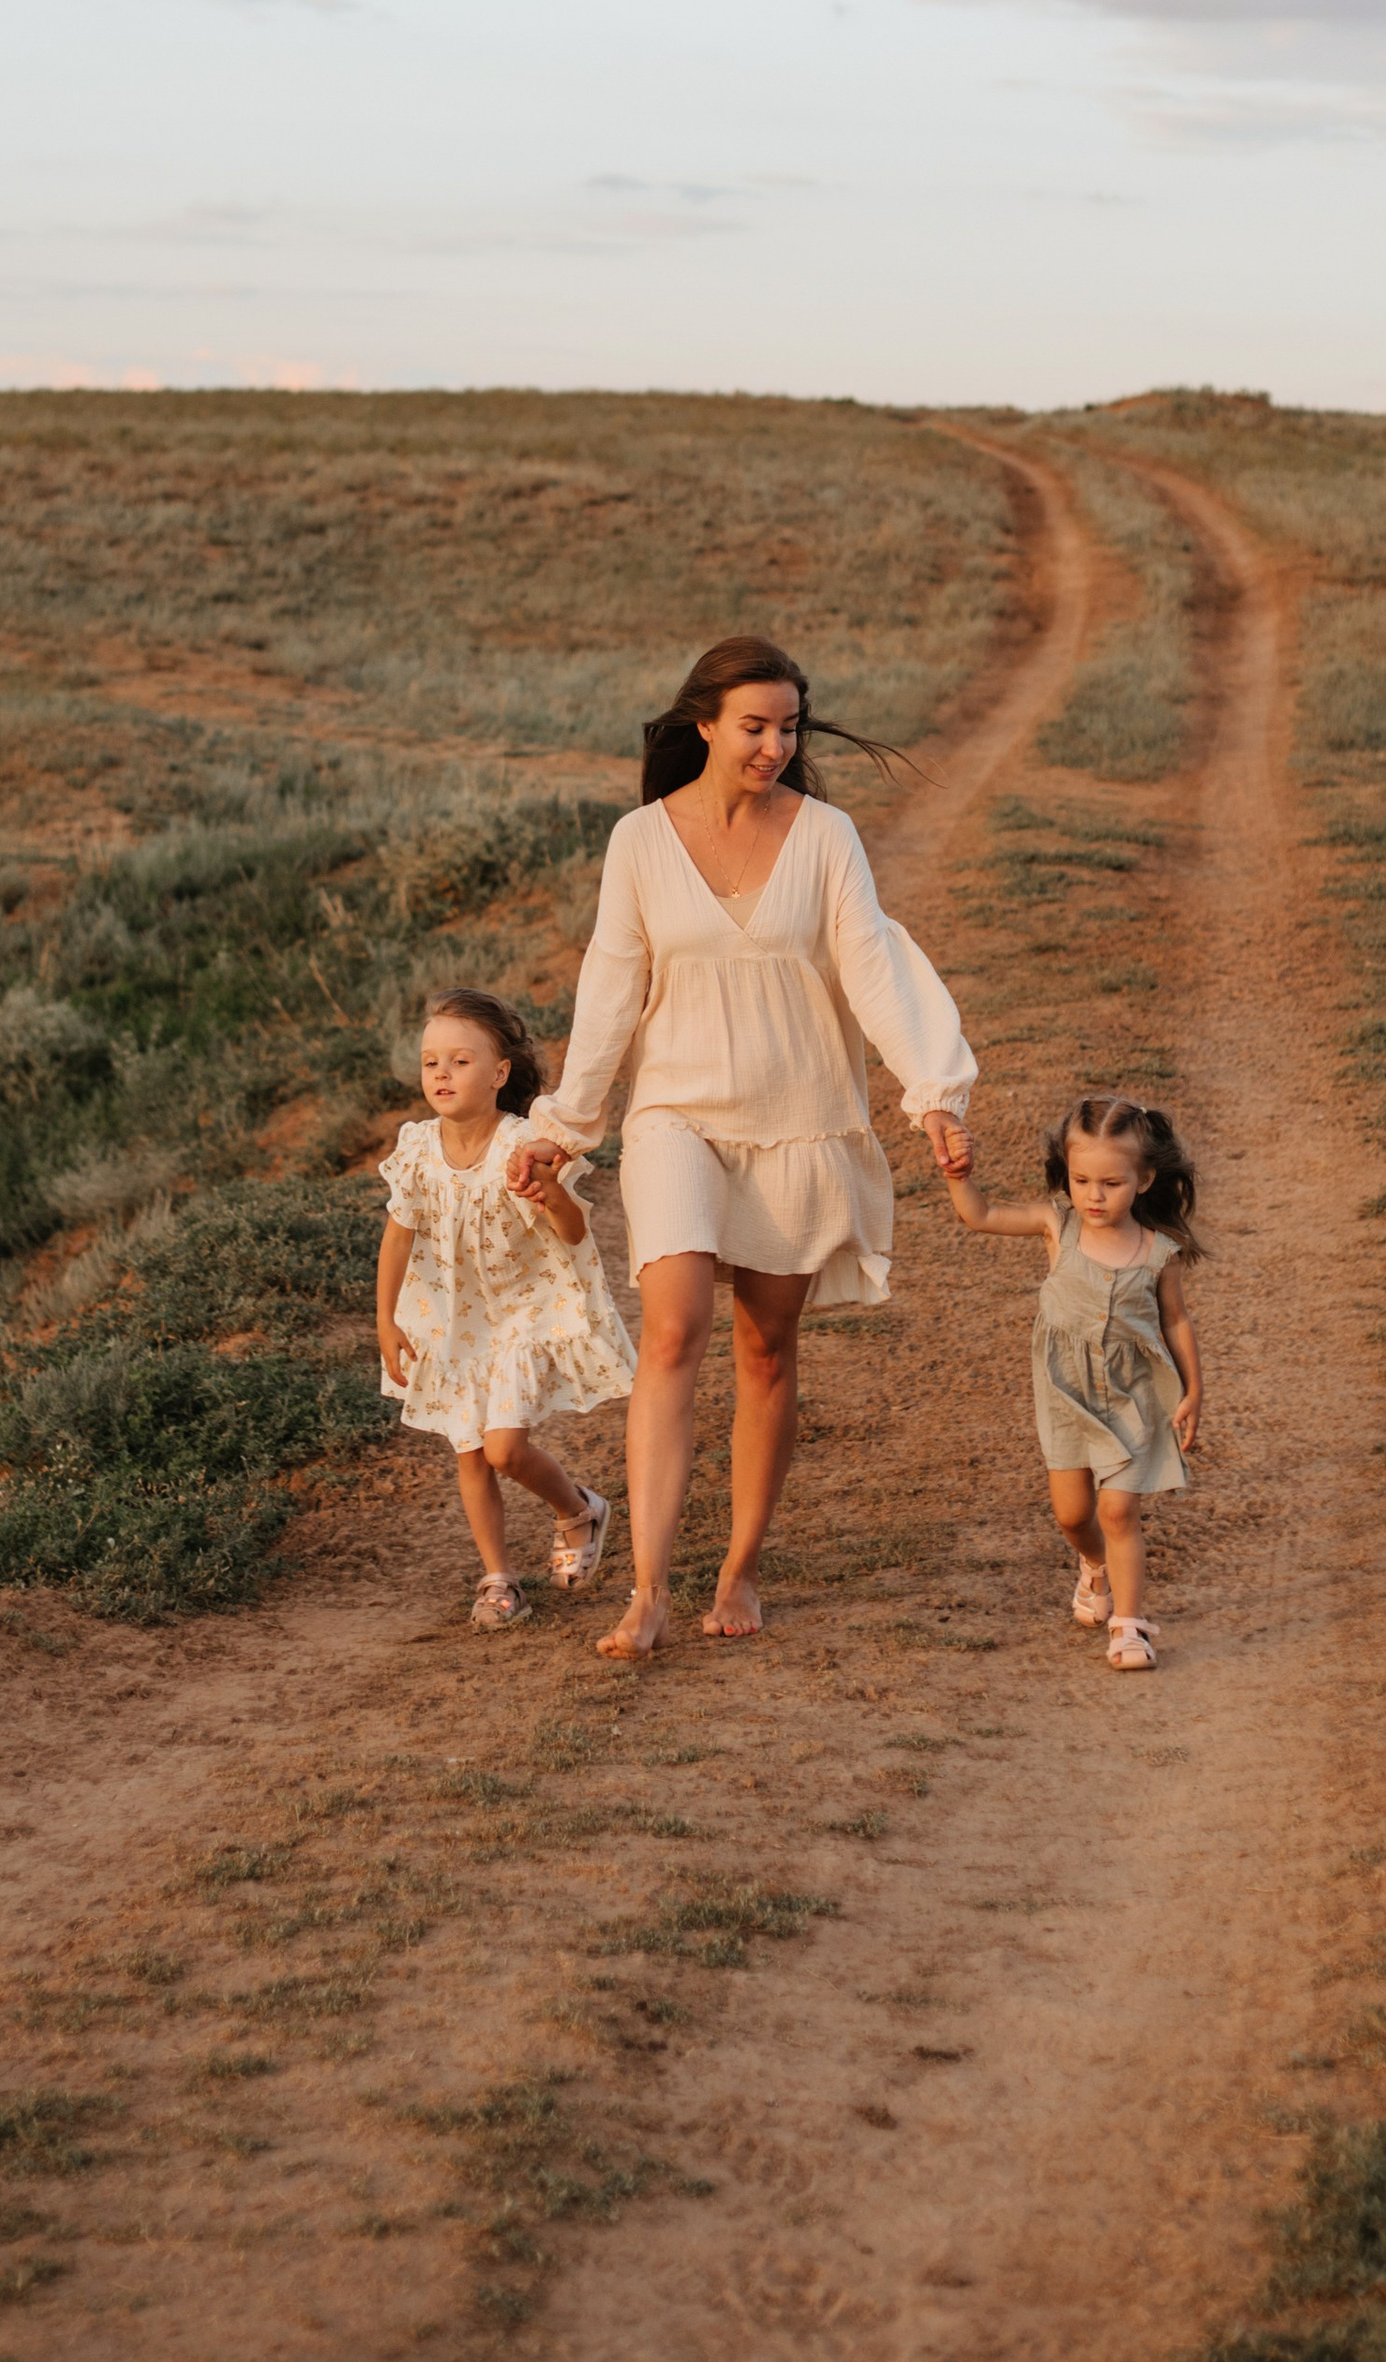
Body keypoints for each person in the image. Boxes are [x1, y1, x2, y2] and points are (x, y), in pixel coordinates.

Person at [508, 634, 974, 1663]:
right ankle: (649, 1592)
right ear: (704, 724)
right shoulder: (639, 841)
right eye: (754, 726)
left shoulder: (826, 836)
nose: (773, 745)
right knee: (671, 1333)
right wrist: (564, 1129)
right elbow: (610, 989)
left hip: (797, 1118)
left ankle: (741, 1567)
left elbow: (872, 970)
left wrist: (930, 1092)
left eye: (788, 727)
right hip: (675, 1114)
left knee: (766, 1348)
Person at [374, 990, 634, 1630]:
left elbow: (573, 1233)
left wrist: (549, 1191)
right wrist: (386, 1319)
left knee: (503, 1449)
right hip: (449, 1317)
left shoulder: (525, 1145)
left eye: (460, 1061)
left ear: (499, 1074)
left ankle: (578, 1510)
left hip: (522, 1313)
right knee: (469, 1450)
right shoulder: (416, 1148)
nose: (441, 1073)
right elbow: (399, 1233)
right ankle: (499, 1579)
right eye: (431, 1061)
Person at [942, 1092, 1203, 1673]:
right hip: (1065, 1396)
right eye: (1081, 1179)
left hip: (1133, 1395)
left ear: (1144, 1179)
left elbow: (1177, 1321)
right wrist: (960, 1175)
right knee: (1072, 1514)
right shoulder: (1054, 1225)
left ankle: (1129, 1627)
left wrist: (1193, 1391)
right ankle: (1094, 1568)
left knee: (1118, 1512)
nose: (1093, 1195)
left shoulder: (1160, 1253)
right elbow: (978, 1214)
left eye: (1110, 1183)